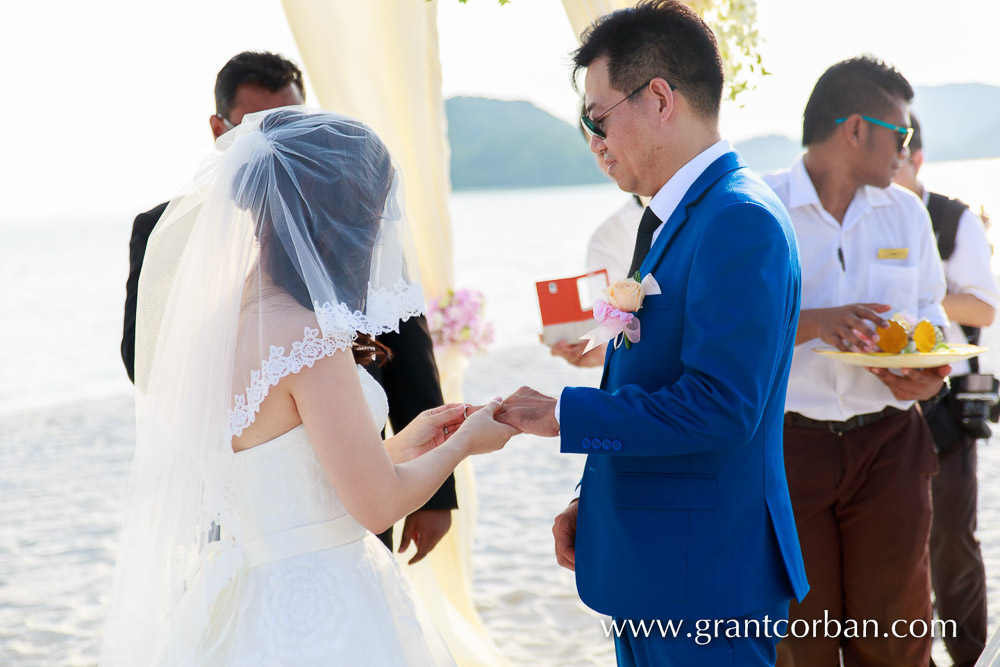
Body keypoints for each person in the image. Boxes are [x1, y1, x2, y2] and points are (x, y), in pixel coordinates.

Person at [100, 109, 519, 665]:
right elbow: (376, 507)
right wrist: (465, 444)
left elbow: (287, 476)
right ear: (340, 215)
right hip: (325, 601)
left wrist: (406, 443)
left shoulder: (221, 324)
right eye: (374, 214)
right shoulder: (310, 336)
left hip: (244, 596)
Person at [497, 3, 808, 665]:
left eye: (598, 116)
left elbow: (721, 406)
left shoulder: (737, 219)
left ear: (659, 98)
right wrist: (596, 495)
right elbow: (646, 378)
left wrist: (561, 413)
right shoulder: (674, 218)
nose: (595, 139)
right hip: (657, 565)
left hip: (705, 579)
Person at [120, 51, 457, 562]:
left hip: (352, 487)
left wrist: (436, 486)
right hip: (251, 518)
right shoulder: (169, 232)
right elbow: (145, 360)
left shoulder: (339, 223)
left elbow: (405, 337)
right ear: (221, 129)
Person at [763, 57, 949, 666]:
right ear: (854, 130)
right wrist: (817, 322)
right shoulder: (760, 210)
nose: (908, 148)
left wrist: (926, 373)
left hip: (891, 448)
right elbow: (721, 330)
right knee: (803, 641)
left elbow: (932, 316)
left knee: (897, 640)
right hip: (789, 454)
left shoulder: (907, 213)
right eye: (900, 133)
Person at [893, 113, 996, 667]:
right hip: (879, 407)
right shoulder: (867, 218)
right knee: (895, 551)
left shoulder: (953, 219)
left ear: (917, 159)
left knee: (952, 544)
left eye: (897, 159)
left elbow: (982, 306)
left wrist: (913, 302)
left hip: (946, 404)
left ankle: (971, 658)